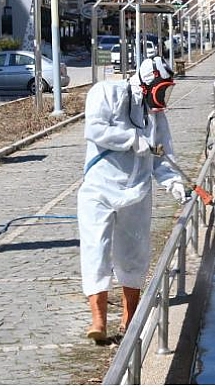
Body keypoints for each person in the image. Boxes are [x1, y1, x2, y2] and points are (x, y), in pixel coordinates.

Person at [77, 56, 187, 343]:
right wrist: (132, 139)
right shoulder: (106, 94)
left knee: (134, 254)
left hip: (137, 192)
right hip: (99, 190)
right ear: (146, 83)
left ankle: (130, 316)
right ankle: (98, 319)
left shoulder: (155, 117)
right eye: (161, 89)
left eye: (167, 90)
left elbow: (164, 156)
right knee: (96, 250)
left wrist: (173, 182)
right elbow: (96, 129)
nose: (162, 97)